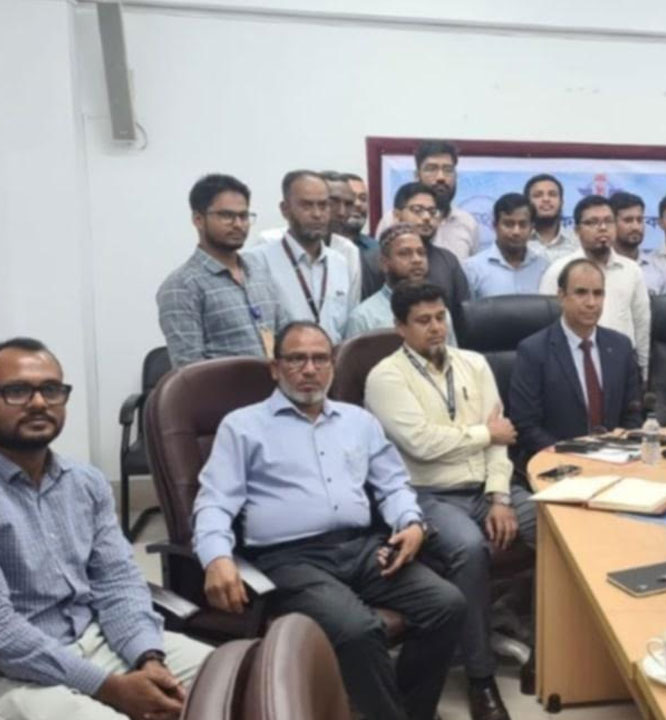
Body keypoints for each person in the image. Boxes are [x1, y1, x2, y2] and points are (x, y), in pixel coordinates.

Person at [193, 321, 465, 720]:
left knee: (447, 605)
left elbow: (393, 484)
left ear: (332, 366)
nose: (309, 369)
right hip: (289, 558)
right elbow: (214, 502)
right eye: (296, 359)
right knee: (357, 628)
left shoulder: (359, 421)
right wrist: (216, 557)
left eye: (320, 359)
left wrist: (410, 523)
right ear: (275, 368)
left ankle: (408, 711)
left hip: (362, 547)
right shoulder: (243, 426)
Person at [0, 337, 211, 720]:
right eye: (17, 391)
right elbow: (4, 634)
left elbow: (118, 580)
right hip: (18, 672)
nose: (39, 403)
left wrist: (148, 657)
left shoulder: (86, 483)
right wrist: (109, 688)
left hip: (98, 639)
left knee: (233, 679)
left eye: (51, 389)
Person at [365, 283, 535, 720]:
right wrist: (484, 434)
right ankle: (481, 678)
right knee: (469, 549)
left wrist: (500, 496)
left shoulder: (474, 363)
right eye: (423, 321)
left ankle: (550, 643)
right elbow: (422, 444)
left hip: (486, 488)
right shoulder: (385, 377)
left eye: (440, 317)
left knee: (557, 524)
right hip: (428, 495)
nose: (436, 328)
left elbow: (501, 441)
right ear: (400, 327)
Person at [510, 259, 643, 461]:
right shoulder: (534, 351)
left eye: (598, 293)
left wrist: (619, 448)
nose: (591, 303)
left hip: (616, 460)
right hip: (559, 462)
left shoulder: (621, 346)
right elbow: (526, 425)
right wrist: (572, 457)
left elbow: (633, 414)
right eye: (581, 293)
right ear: (561, 296)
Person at [157, 173, 284, 367]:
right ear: (198, 219)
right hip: (222, 387)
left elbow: (283, 337)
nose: (238, 224)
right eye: (226, 216)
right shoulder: (181, 286)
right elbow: (189, 368)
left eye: (244, 216)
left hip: (275, 384)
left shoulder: (258, 270)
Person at [539, 196, 651, 374]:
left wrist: (643, 369)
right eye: (592, 222)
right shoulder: (558, 270)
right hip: (571, 366)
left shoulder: (632, 270)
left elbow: (641, 323)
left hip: (621, 364)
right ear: (577, 230)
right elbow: (545, 323)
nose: (603, 228)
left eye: (608, 221)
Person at [243, 170, 357, 342]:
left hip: (332, 357)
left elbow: (346, 327)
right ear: (285, 209)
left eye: (323, 205)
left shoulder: (339, 262)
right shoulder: (257, 261)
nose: (317, 214)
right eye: (307, 206)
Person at [346, 224, 457, 345]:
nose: (417, 260)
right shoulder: (364, 318)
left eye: (421, 253)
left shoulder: (439, 312)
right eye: (405, 254)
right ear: (384, 263)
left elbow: (452, 355)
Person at [390, 182, 473, 323]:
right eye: (417, 210)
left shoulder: (448, 261)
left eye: (432, 211)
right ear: (397, 215)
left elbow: (463, 315)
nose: (427, 217)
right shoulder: (383, 259)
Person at [463, 193, 549, 298]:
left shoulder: (544, 268)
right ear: (495, 226)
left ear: (532, 228)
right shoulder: (473, 269)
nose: (516, 232)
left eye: (523, 225)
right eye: (508, 224)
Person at [416, 140, 479, 261]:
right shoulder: (395, 220)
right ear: (417, 175)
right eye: (432, 169)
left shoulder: (467, 223)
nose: (441, 177)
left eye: (448, 170)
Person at [609, 191, 666, 295]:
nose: (635, 227)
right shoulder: (599, 266)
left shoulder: (658, 268)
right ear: (612, 223)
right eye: (628, 220)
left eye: (639, 220)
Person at [335, 171, 381, 300]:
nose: (358, 204)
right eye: (351, 198)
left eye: (363, 198)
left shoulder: (376, 249)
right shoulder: (319, 247)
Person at [524, 173, 578, 264]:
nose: (546, 199)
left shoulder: (577, 243)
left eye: (552, 194)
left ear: (561, 202)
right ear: (527, 203)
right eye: (538, 195)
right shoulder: (518, 241)